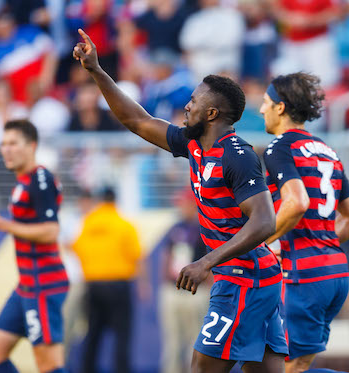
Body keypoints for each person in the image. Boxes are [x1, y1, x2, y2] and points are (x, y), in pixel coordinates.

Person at [73, 28, 287, 372]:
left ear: (212, 114)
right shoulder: (194, 146)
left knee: (201, 367)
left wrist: (206, 262)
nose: (186, 106)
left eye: (194, 101)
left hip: (245, 278)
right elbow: (137, 120)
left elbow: (265, 220)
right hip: (250, 277)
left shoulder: (237, 155)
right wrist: (98, 72)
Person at [260, 72, 349, 373]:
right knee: (298, 365)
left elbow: (296, 203)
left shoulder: (280, 147)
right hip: (336, 274)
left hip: (302, 276)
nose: (261, 109)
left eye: (266, 103)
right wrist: (322, 242)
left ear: (280, 108)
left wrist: (258, 244)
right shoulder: (328, 151)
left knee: (282, 366)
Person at [0, 119, 68, 373]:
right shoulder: (23, 181)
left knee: (48, 364)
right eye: (3, 144)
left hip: (44, 285)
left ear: (32, 146)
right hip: (27, 284)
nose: (6, 149)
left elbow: (51, 231)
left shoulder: (40, 178)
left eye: (13, 143)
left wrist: (1, 224)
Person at [72, 187, 142, 373]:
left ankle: (86, 369)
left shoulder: (89, 222)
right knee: (122, 335)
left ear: (101, 200)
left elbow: (77, 248)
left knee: (93, 334)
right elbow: (135, 255)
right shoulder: (124, 224)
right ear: (115, 200)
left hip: (93, 284)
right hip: (118, 284)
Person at [156, 189, 210, 373]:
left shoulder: (204, 228)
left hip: (196, 291)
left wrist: (208, 288)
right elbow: (166, 255)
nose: (181, 208)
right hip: (174, 290)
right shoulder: (175, 228)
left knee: (195, 340)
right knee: (172, 340)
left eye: (184, 204)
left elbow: (211, 258)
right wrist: (165, 283)